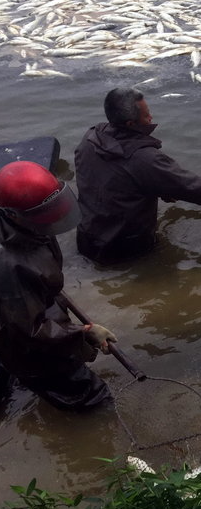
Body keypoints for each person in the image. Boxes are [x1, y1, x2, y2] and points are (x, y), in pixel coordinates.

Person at [74, 87, 201, 265]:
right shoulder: (144, 158)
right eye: (146, 115)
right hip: (123, 249)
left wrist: (157, 186)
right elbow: (192, 187)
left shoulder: (90, 138)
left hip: (87, 239)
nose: (151, 117)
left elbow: (114, 179)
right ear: (130, 123)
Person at [0, 161, 117, 411]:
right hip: (24, 342)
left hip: (24, 314)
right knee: (88, 397)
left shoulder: (30, 226)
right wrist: (83, 333)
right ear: (11, 213)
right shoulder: (10, 265)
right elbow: (29, 331)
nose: (51, 220)